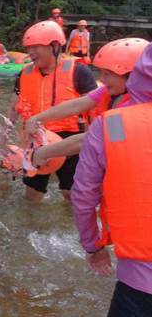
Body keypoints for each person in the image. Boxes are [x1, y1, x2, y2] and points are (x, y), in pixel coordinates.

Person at [72, 43, 152, 317]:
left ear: (136, 75)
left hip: (140, 284)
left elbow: (83, 195)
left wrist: (93, 246)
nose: (103, 80)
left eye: (108, 73)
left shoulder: (114, 123)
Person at [6, 20, 97, 202]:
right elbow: (14, 104)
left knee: (70, 194)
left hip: (70, 139)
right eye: (28, 47)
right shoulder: (24, 74)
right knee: (32, 195)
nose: (30, 53)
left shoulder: (78, 71)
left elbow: (94, 105)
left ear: (54, 46)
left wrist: (96, 142)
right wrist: (5, 132)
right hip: (36, 139)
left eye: (36, 47)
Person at [26, 38, 149, 166]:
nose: (101, 79)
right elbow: (76, 105)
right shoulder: (109, 91)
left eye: (107, 74)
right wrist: (36, 118)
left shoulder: (132, 109)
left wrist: (42, 153)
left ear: (132, 75)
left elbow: (87, 140)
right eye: (101, 73)